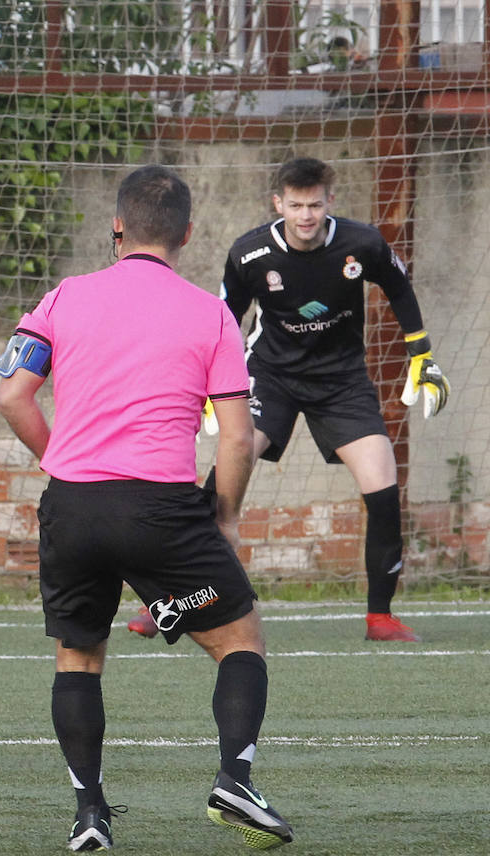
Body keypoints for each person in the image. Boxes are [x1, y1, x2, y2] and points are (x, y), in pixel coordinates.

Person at [0, 164, 294, 852]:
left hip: (71, 508)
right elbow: (238, 437)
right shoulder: (210, 312)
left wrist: (59, 462)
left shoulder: (63, 297)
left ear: (117, 228)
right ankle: (234, 778)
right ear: (188, 234)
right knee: (239, 640)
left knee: (79, 657)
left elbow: (11, 397)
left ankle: (90, 813)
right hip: (161, 510)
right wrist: (222, 513)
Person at [127, 157, 451, 643]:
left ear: (330, 202)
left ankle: (379, 618)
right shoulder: (250, 253)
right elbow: (223, 319)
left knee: (383, 485)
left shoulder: (360, 243)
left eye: (314, 205)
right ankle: (169, 603)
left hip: (341, 381)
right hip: (270, 377)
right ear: (278, 203)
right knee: (226, 478)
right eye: (295, 205)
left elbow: (399, 287)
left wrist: (421, 353)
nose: (305, 215)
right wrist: (208, 386)